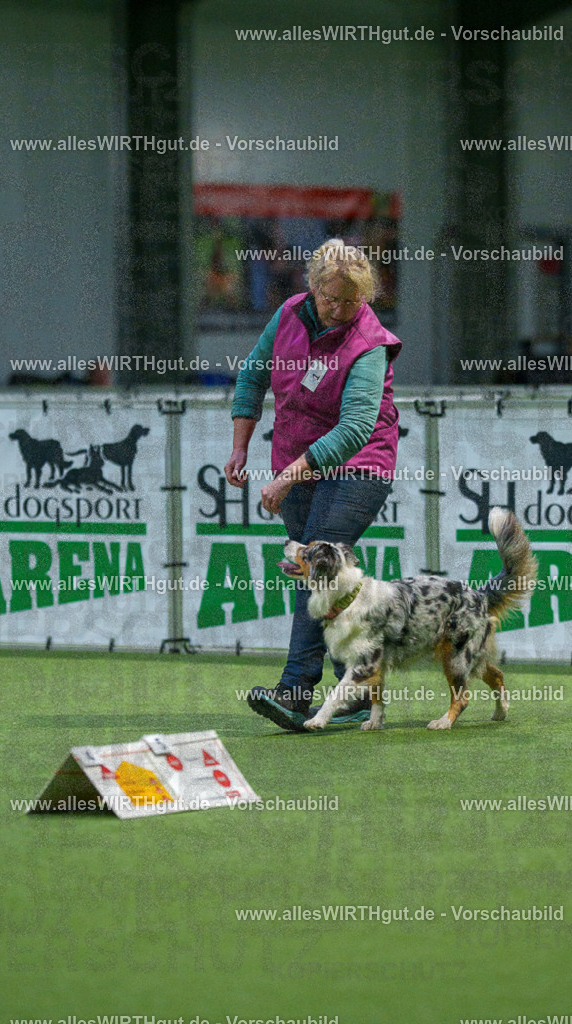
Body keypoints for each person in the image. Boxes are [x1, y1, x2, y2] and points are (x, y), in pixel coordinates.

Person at [224, 238, 402, 731]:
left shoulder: (370, 343)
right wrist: (240, 445)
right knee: (316, 576)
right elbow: (252, 378)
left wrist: (284, 477)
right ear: (313, 287)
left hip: (357, 466)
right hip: (295, 461)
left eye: (352, 301)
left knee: (316, 565)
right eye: (332, 299)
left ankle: (295, 691)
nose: (341, 309)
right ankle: (358, 692)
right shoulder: (287, 316)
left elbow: (354, 430)